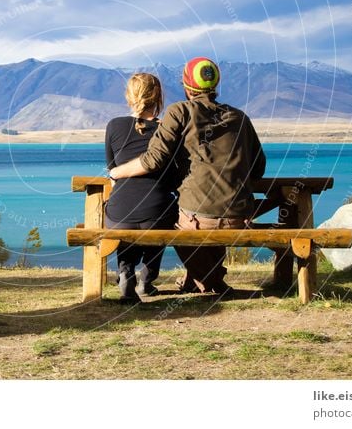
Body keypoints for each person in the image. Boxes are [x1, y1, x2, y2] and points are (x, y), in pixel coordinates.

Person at [109, 57, 266, 296]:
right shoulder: (240, 117)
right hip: (240, 216)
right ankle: (198, 279)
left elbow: (154, 160)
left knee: (170, 218)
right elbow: (259, 168)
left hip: (198, 219)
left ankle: (210, 280)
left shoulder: (179, 111)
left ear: (186, 86)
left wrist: (116, 172)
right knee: (193, 214)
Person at [105, 73, 178, 303]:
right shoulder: (168, 128)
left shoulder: (114, 125)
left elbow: (112, 169)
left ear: (129, 96)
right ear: (158, 97)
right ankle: (147, 278)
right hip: (156, 211)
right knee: (163, 217)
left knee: (127, 218)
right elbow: (175, 175)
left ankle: (126, 271)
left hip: (119, 212)